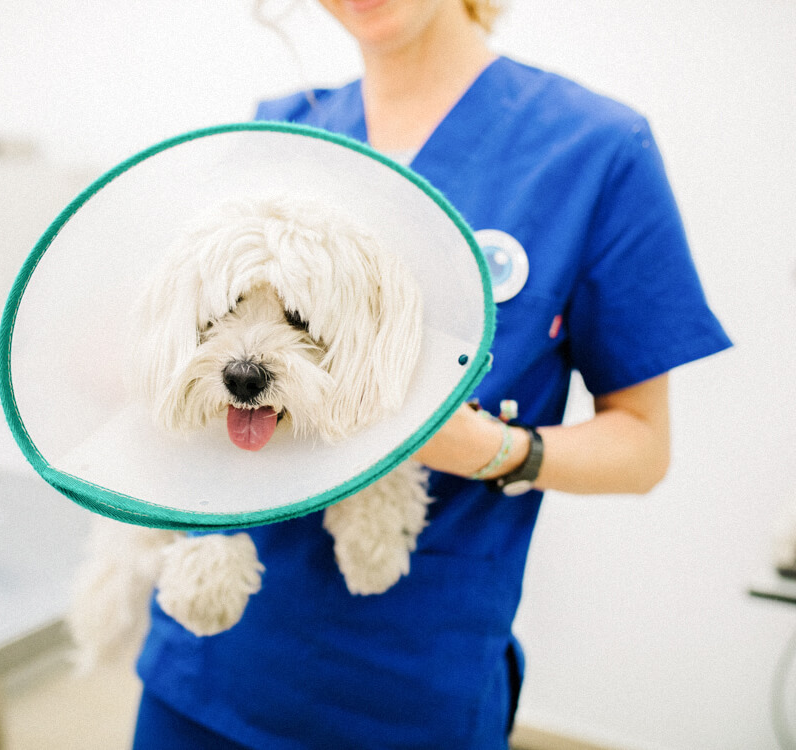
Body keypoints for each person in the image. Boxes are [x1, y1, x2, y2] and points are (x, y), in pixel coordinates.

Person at [132, 1, 732, 747]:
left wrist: (492, 449)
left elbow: (642, 448)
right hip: (208, 667)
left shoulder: (595, 151)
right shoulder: (272, 137)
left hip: (410, 684)